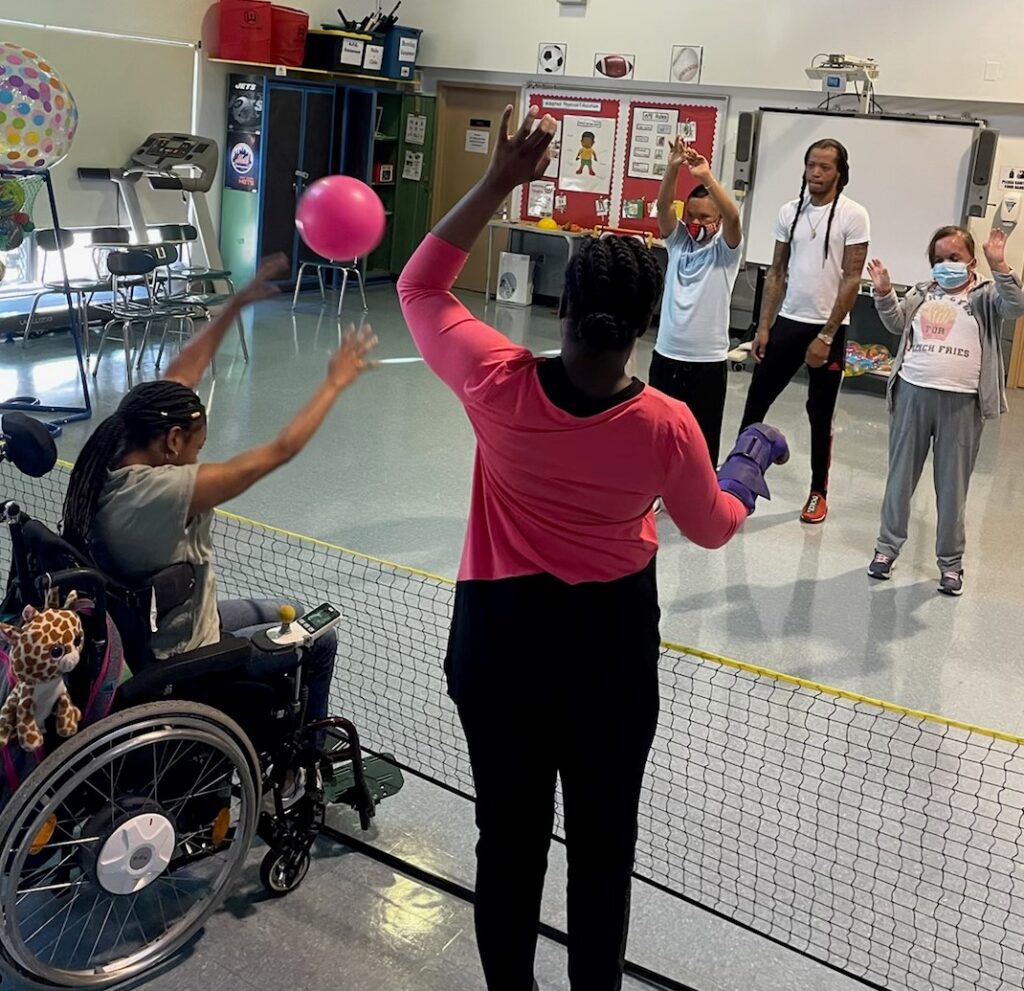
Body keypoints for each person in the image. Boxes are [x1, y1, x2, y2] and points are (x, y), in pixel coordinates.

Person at [397, 105, 788, 991]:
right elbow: (712, 525)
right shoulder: (666, 424)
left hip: (498, 645)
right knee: (603, 858)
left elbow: (421, 288)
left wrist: (499, 179)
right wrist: (743, 471)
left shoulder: (497, 382)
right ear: (647, 322)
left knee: (510, 846)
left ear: (561, 303)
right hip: (610, 658)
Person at [61, 256, 377, 733]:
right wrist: (334, 382)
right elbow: (280, 450)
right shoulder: (166, 493)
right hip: (188, 657)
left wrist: (233, 307)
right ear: (172, 443)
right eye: (197, 448)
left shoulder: (114, 448)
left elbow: (179, 374)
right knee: (319, 638)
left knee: (276, 609)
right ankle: (309, 751)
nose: (197, 458)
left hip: (152, 631)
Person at [867, 225, 1024, 595]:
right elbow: (895, 323)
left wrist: (1000, 264)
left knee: (953, 488)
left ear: (971, 260)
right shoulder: (922, 293)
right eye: (938, 259)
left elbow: (1016, 307)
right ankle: (886, 549)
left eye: (953, 258)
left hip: (962, 402)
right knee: (900, 479)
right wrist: (885, 293)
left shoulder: (987, 295)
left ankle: (951, 564)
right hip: (913, 394)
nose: (945, 265)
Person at [739, 138, 870, 523]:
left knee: (820, 412)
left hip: (828, 329)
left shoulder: (853, 214)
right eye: (811, 164)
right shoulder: (789, 212)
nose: (815, 172)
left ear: (839, 173)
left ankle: (818, 491)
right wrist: (764, 326)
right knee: (756, 400)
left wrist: (826, 336)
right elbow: (776, 272)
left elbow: (851, 278)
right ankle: (740, 476)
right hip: (788, 322)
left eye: (825, 167)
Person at [649, 137, 743, 465]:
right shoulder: (678, 243)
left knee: (702, 440)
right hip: (667, 354)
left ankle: (700, 499)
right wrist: (673, 169)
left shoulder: (725, 252)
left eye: (705, 218)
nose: (697, 224)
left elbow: (732, 220)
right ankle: (657, 490)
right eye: (692, 216)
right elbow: (663, 208)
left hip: (707, 361)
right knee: (660, 432)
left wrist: (706, 178)